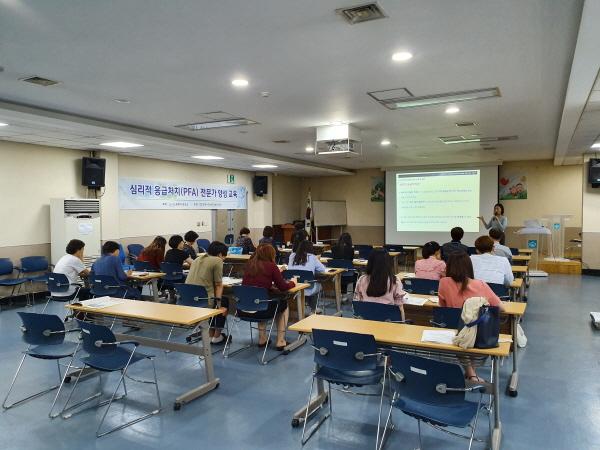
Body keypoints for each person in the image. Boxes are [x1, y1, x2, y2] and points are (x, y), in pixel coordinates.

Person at [438, 253, 504, 381]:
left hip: (455, 330)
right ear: (469, 267)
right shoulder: (481, 284)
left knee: (463, 332)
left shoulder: (444, 282)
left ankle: (471, 373)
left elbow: (442, 307)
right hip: (478, 332)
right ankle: (472, 374)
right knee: (473, 329)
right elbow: (501, 308)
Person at [241, 244, 295, 350]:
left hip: (243, 309)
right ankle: (280, 341)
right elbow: (283, 287)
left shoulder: (249, 264)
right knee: (283, 304)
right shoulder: (271, 266)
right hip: (262, 310)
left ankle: (262, 338)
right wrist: (293, 283)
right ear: (271, 254)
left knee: (260, 301)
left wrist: (269, 286)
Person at [186, 241, 230, 344]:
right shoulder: (217, 260)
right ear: (220, 254)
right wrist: (219, 306)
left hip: (188, 298)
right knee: (223, 302)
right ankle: (216, 336)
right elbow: (218, 285)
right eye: (224, 256)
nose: (224, 259)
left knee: (217, 299)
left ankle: (210, 334)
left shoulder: (197, 259)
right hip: (203, 300)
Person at [354, 249, 406, 320]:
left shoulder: (362, 279)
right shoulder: (394, 280)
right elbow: (400, 308)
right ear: (388, 263)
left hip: (366, 321)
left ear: (370, 263)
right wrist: (402, 323)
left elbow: (358, 304)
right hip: (388, 322)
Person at [287, 240, 327, 313]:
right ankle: (313, 309)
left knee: (308, 282)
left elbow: (289, 269)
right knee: (317, 284)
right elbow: (323, 269)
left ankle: (303, 307)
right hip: (309, 287)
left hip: (294, 286)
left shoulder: (292, 256)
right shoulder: (312, 257)